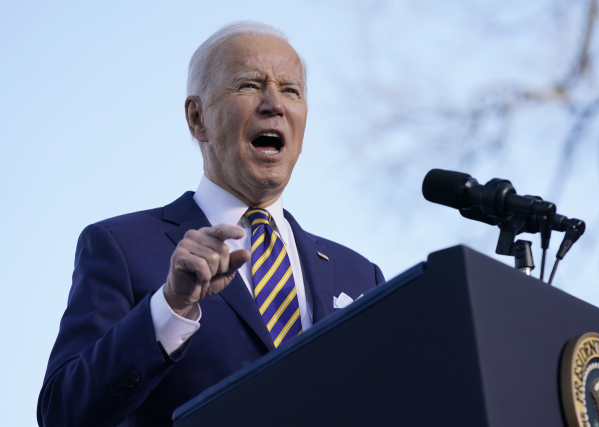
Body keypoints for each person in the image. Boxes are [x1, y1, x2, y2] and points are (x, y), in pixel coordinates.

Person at [37, 21, 384, 427]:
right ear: (197, 117)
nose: (275, 104)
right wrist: (171, 306)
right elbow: (63, 413)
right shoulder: (122, 247)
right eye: (249, 85)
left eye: (291, 90)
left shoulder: (360, 274)